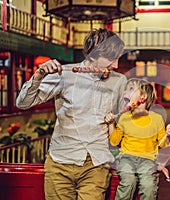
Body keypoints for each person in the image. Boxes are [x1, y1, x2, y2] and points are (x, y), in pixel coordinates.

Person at [16, 28, 127, 200]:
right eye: (112, 59)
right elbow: (22, 103)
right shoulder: (64, 74)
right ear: (93, 55)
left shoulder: (119, 81)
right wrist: (39, 75)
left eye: (118, 58)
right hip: (60, 162)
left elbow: (125, 122)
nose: (116, 65)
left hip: (96, 164)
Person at [105, 78, 170, 200]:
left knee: (148, 186)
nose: (125, 92)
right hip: (126, 158)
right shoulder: (124, 117)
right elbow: (114, 141)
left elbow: (163, 144)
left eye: (131, 89)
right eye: (125, 90)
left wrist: (168, 134)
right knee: (128, 181)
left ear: (143, 96)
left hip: (147, 160)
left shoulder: (157, 119)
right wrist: (111, 124)